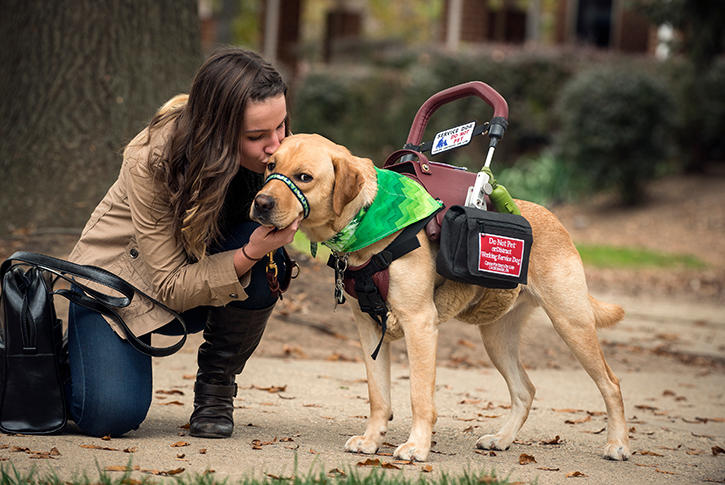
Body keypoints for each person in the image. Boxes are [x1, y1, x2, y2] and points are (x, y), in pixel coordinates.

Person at [66, 47, 299, 439]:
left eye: (281, 126)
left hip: (204, 277)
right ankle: (65, 364)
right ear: (218, 131)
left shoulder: (274, 149)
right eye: (257, 136)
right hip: (122, 286)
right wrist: (249, 253)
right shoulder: (151, 158)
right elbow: (170, 285)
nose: (276, 145)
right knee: (110, 416)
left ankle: (215, 390)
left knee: (265, 260)